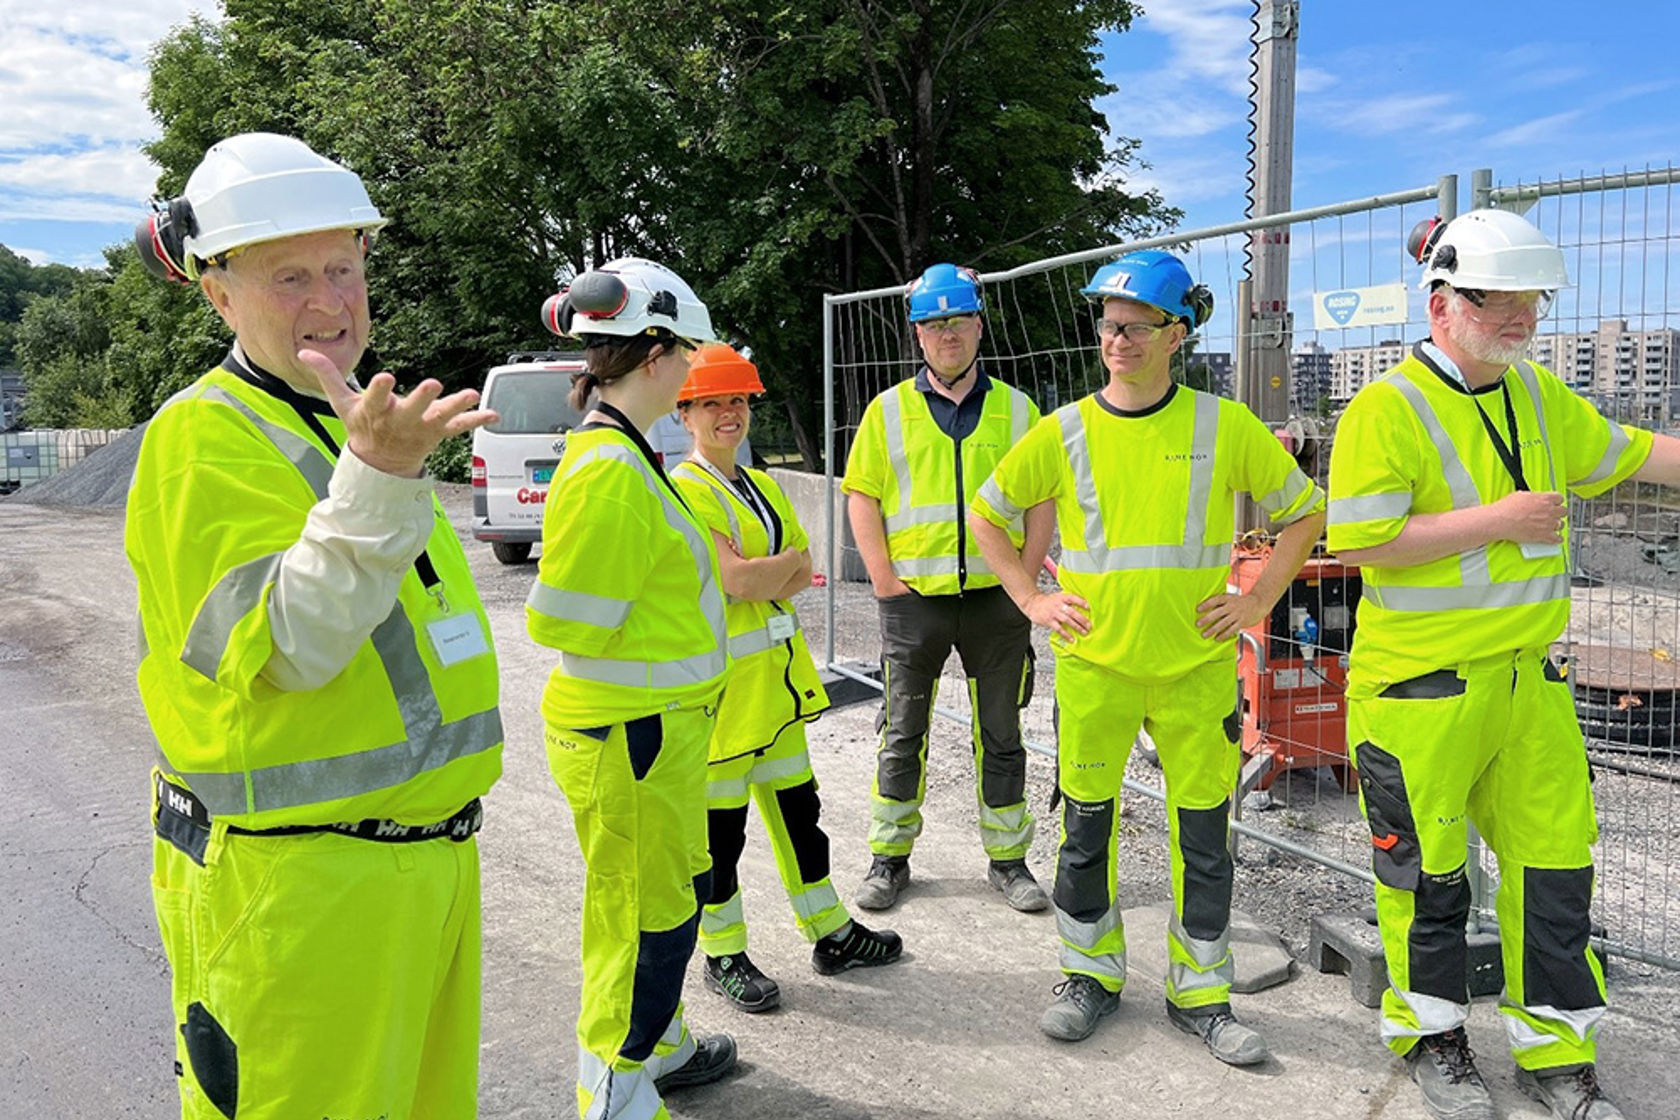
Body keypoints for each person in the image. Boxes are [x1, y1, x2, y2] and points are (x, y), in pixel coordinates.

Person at [126, 132, 503, 1119]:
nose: (331, 301)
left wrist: (376, 464)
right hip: (299, 896)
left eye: (343, 265)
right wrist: (379, 478)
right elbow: (291, 647)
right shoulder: (201, 437)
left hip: (421, 871)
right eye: (290, 274)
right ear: (218, 292)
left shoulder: (346, 421)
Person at [1328, 209, 1680, 1120]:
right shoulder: (1385, 407)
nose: (1522, 318)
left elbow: (1636, 452)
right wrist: (1499, 520)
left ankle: (1557, 1055)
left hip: (1527, 684)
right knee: (1428, 877)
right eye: (1501, 300)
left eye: (1532, 300)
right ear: (1443, 302)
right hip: (1420, 692)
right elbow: (1362, 537)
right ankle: (1433, 1039)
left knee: (1553, 868)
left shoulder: (1538, 395)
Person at [969, 250, 1325, 1065]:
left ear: (1178, 335)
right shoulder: (1063, 431)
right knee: (1086, 832)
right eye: (1108, 324)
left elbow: (1304, 513)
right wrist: (1031, 600)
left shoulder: (1221, 425)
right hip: (1096, 670)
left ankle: (1200, 994)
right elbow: (989, 515)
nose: (1116, 338)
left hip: (1196, 673)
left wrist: (1257, 600)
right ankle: (1088, 974)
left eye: (1135, 326)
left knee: (1204, 837)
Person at [525, 259, 738, 1120]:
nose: (693, 370)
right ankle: (615, 1094)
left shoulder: (626, 455)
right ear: (652, 354)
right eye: (685, 354)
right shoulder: (612, 471)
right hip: (630, 737)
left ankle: (666, 1046)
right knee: (639, 926)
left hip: (655, 734)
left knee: (667, 897)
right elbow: (565, 622)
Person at [669, 344, 904, 1013]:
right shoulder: (685, 491)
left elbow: (807, 567)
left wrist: (766, 571)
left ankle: (830, 932)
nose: (729, 414)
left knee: (802, 819)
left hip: (776, 691)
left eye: (738, 401)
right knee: (721, 836)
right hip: (721, 698)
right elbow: (737, 578)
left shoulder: (764, 485)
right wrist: (772, 570)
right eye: (712, 402)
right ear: (684, 412)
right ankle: (724, 953)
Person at [839, 262, 1055, 913]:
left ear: (978, 326)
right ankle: (889, 857)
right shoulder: (888, 413)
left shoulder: (1019, 411)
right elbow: (862, 497)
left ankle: (1009, 860)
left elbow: (1043, 499)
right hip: (915, 605)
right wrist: (883, 578)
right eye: (933, 324)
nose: (947, 334)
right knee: (902, 730)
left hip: (996, 602)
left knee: (1002, 733)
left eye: (957, 321)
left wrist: (1025, 583)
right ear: (918, 336)